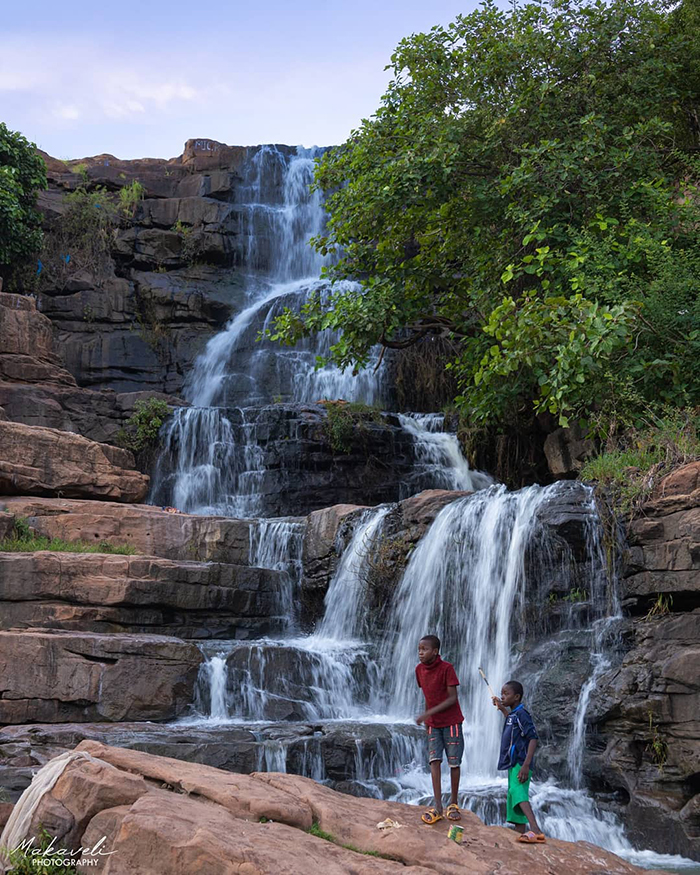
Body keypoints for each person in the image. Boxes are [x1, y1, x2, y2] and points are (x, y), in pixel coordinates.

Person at [415, 634, 464, 824]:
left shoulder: (447, 669)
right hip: (433, 724)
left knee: (454, 762)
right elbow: (428, 696)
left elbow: (453, 698)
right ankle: (437, 806)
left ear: (435, 652)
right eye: (419, 649)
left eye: (424, 649)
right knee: (434, 761)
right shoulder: (419, 670)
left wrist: (427, 714)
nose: (420, 653)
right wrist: (428, 718)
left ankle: (453, 803)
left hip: (452, 722)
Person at [492, 680, 546, 843]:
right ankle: (520, 832)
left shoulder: (522, 714)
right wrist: (502, 709)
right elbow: (512, 722)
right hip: (513, 762)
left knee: (518, 792)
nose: (502, 696)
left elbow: (533, 738)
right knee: (513, 795)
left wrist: (526, 765)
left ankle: (535, 830)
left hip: (521, 763)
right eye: (501, 693)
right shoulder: (514, 715)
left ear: (516, 697)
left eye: (506, 694)